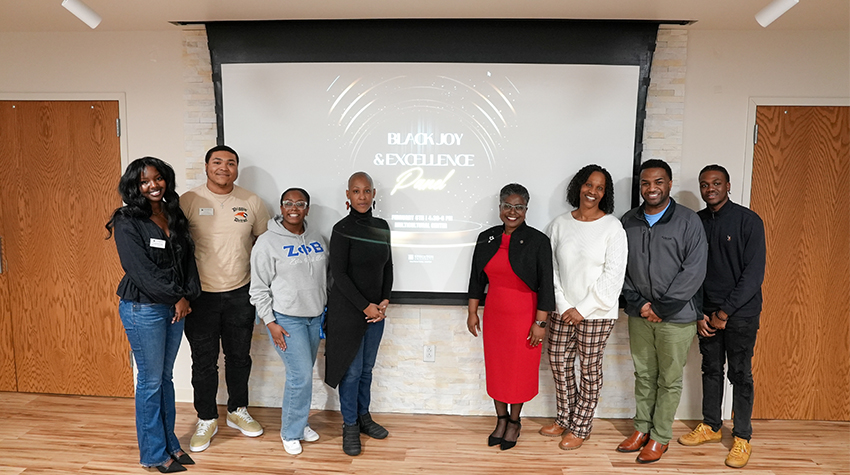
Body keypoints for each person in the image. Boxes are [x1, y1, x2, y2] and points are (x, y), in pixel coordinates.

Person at [106, 157, 201, 473]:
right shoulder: (126, 220)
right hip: (143, 308)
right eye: (144, 181)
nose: (153, 185)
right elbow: (140, 270)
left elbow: (187, 259)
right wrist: (177, 297)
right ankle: (153, 454)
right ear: (134, 186)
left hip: (175, 305)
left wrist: (187, 295)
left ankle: (170, 443)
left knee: (164, 378)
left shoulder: (173, 212)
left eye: (158, 178)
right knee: (149, 381)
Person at [180, 145, 271, 452]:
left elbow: (263, 244)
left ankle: (237, 410)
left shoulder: (252, 201)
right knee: (203, 363)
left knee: (239, 358)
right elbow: (177, 247)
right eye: (217, 162)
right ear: (206, 167)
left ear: (236, 169)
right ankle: (206, 417)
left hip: (240, 293)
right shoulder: (188, 201)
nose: (224, 167)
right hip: (200, 296)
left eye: (230, 163)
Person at [616, 159, 707, 464]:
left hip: (677, 318)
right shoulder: (628, 221)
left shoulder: (688, 221)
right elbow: (619, 267)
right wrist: (640, 304)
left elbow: (694, 270)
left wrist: (661, 307)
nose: (651, 188)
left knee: (669, 379)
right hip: (640, 315)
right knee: (644, 375)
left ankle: (660, 436)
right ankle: (642, 429)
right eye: (645, 183)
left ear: (669, 184)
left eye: (658, 182)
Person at [677, 165, 765, 469]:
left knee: (740, 375)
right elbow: (692, 271)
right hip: (707, 314)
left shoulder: (748, 221)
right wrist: (700, 313)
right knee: (710, 370)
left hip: (740, 314)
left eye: (716, 183)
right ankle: (712, 426)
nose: (710, 188)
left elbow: (753, 275)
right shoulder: (697, 222)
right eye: (704, 184)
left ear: (728, 185)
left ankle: (742, 436)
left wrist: (725, 312)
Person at [539, 165, 628, 450]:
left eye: (600, 188)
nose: (593, 191)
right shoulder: (559, 225)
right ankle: (565, 418)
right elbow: (550, 269)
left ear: (605, 194)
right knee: (559, 363)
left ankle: (581, 426)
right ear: (579, 186)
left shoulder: (612, 227)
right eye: (589, 184)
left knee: (589, 370)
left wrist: (583, 309)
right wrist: (565, 304)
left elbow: (613, 275)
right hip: (562, 309)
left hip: (597, 313)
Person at [467, 183, 556, 451]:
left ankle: (515, 422)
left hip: (525, 317)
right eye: (507, 206)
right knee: (497, 370)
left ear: (526, 210)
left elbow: (546, 286)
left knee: (518, 373)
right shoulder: (487, 238)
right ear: (500, 208)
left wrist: (540, 323)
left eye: (519, 207)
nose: (512, 211)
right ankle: (501, 420)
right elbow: (476, 279)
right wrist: (472, 312)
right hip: (495, 317)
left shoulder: (538, 241)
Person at [249, 188, 329, 456]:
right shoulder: (267, 242)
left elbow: (324, 278)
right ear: (281, 208)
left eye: (300, 203)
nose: (294, 208)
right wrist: (270, 322)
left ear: (307, 209)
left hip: (314, 317)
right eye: (288, 203)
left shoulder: (317, 237)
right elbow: (258, 288)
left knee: (303, 375)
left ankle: (301, 423)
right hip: (286, 319)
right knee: (300, 375)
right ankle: (290, 432)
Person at [324, 172, 393, 457]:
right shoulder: (342, 229)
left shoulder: (381, 226)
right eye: (356, 191)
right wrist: (366, 306)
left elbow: (388, 265)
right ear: (348, 195)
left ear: (374, 193)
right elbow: (339, 274)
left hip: (376, 312)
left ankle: (364, 417)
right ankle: (350, 424)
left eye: (366, 191)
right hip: (348, 311)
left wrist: (385, 299)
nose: (362, 196)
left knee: (366, 369)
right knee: (351, 373)